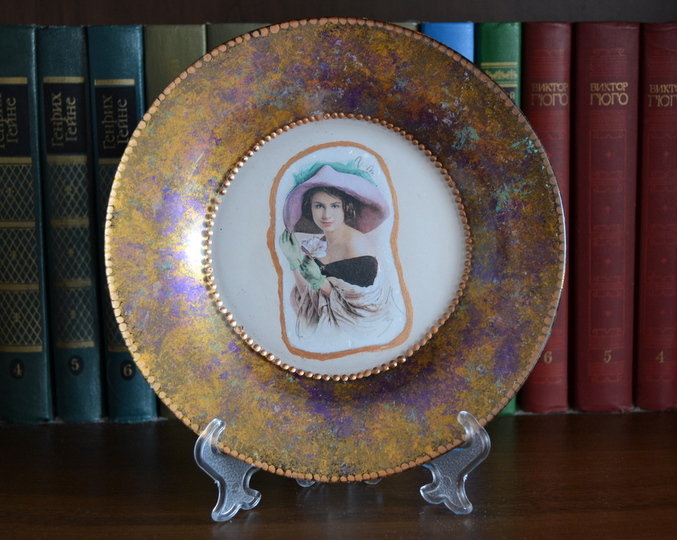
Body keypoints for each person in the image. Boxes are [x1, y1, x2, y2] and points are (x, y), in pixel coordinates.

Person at [278, 160, 404, 350]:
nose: (326, 215)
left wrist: (320, 282)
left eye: (335, 206)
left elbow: (361, 309)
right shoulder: (318, 245)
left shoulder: (355, 244)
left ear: (346, 207)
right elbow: (309, 299)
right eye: (319, 206)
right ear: (309, 208)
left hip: (360, 339)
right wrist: (294, 262)